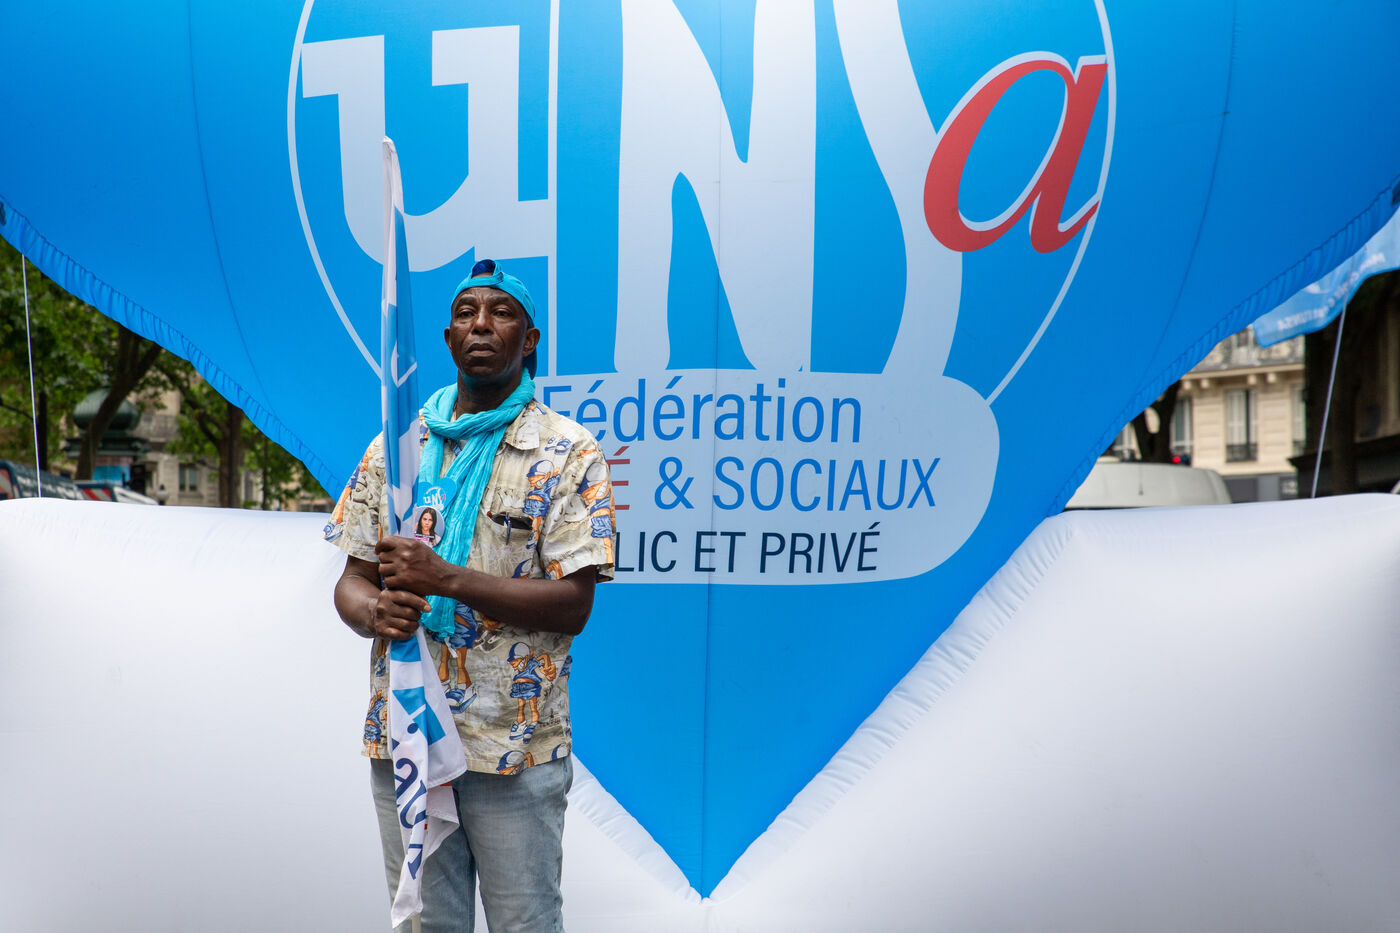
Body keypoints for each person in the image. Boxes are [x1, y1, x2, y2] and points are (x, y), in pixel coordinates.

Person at [324, 258, 616, 933]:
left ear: (529, 340)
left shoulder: (568, 452)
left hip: (513, 746)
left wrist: (445, 579)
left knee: (525, 924)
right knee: (426, 926)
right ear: (448, 338)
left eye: (501, 313)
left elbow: (573, 604)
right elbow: (352, 581)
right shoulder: (397, 448)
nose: (481, 324)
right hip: (409, 732)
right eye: (465, 313)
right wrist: (376, 610)